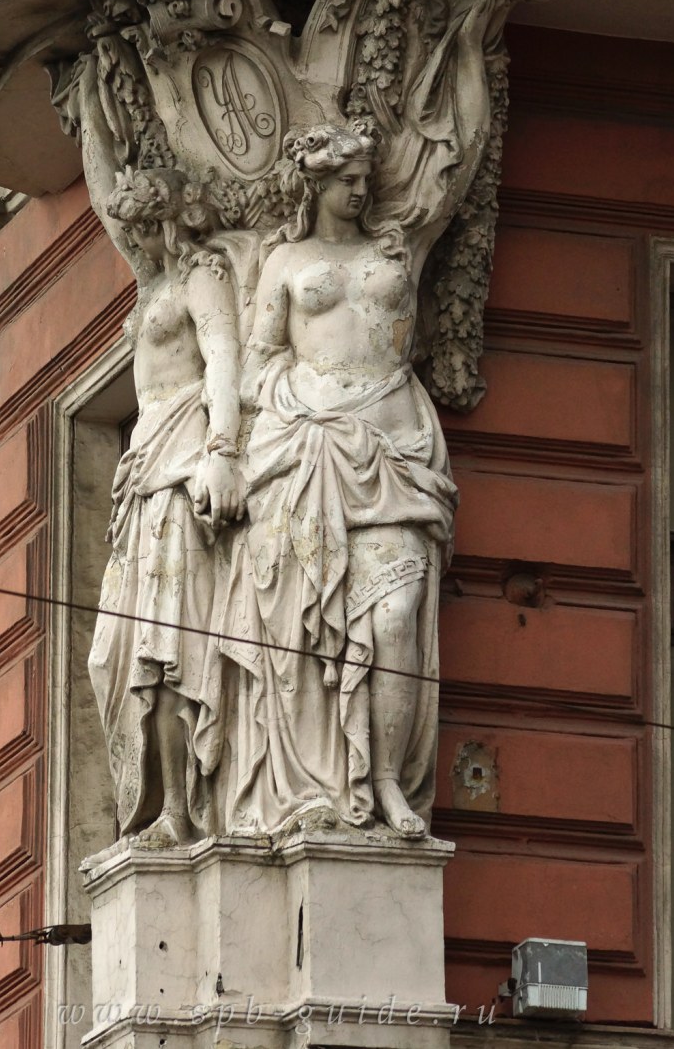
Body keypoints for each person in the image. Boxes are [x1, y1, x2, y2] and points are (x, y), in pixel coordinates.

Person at [204, 124, 458, 838]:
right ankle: (318, 779)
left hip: (393, 447)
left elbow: (447, 166)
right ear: (314, 185)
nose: (360, 190)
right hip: (307, 449)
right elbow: (258, 361)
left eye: (366, 179)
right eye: (347, 179)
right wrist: (289, 412)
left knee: (396, 616)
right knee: (304, 623)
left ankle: (387, 779)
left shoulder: (396, 248)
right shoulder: (285, 259)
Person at [88, 167, 244, 844]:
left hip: (182, 467)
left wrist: (222, 450)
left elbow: (224, 359)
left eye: (147, 225)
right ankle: (156, 801)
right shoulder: (152, 283)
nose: (138, 239)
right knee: (118, 652)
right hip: (143, 473)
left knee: (169, 643)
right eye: (131, 229)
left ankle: (179, 810)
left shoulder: (201, 276)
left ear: (173, 220)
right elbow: (99, 168)